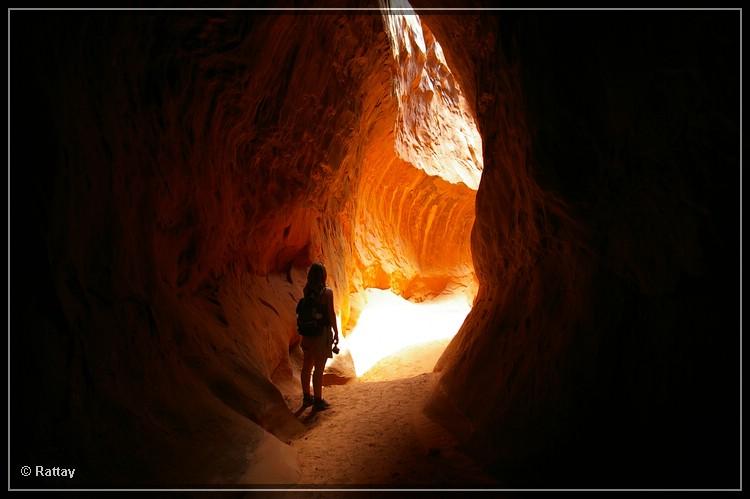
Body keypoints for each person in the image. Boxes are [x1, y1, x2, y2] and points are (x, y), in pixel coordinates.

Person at [300, 262, 339, 411]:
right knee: (319, 368)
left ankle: (306, 398)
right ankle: (318, 400)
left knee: (306, 366)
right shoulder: (327, 293)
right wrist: (335, 332)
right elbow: (331, 314)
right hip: (321, 334)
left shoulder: (306, 290)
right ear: (323, 276)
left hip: (307, 333)